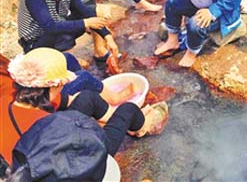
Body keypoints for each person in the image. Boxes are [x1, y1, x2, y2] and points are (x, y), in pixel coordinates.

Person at [0, 47, 168, 166]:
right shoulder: (56, 127)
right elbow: (91, 149)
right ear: (54, 86)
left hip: (38, 155)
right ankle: (142, 127)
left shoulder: (10, 98)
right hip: (65, 166)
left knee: (87, 98)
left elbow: (64, 100)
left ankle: (124, 124)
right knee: (128, 110)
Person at [17, 0, 119, 65]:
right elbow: (51, 27)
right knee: (65, 34)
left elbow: (84, 11)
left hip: (56, 28)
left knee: (92, 11)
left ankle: (98, 53)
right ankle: (66, 62)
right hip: (36, 41)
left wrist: (107, 37)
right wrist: (86, 23)